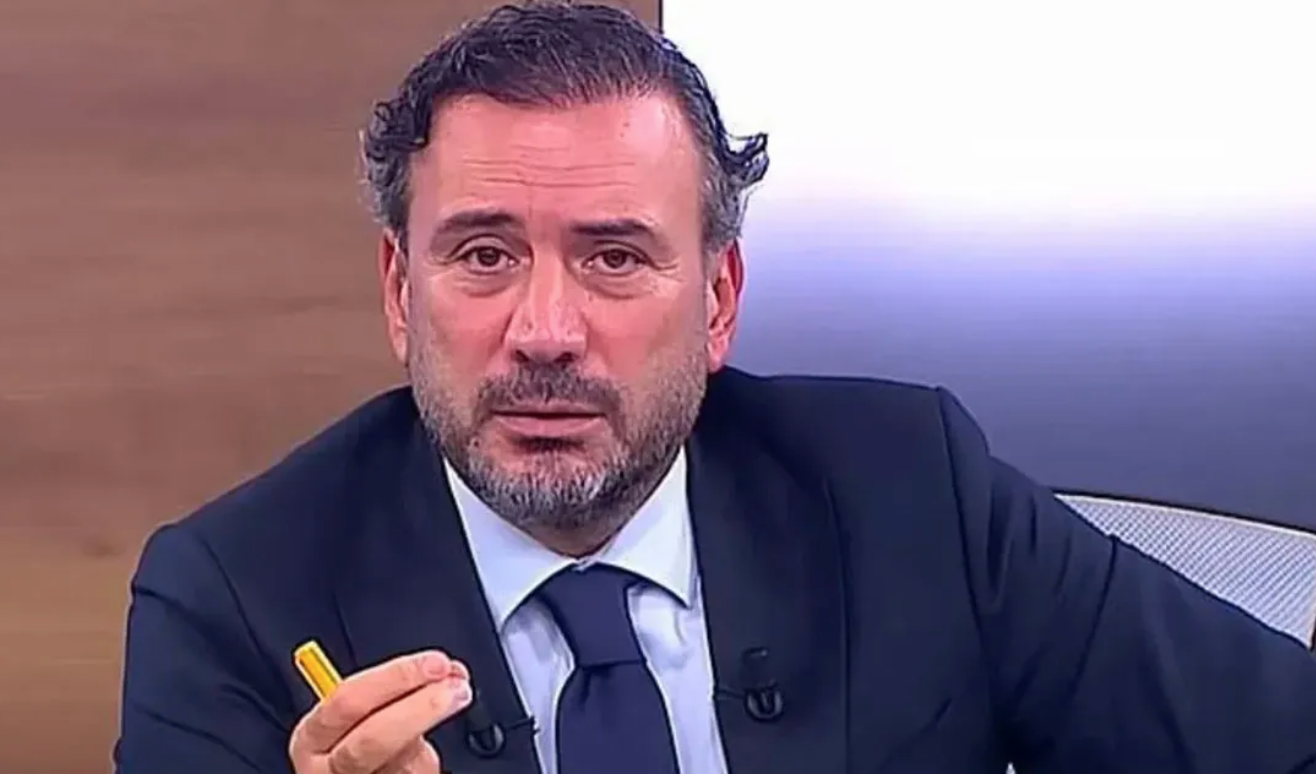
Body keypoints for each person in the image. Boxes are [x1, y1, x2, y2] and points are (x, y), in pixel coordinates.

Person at [113, 2, 1316, 773]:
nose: (544, 332)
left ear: (719, 297)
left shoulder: (911, 490)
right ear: (397, 289)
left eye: (613, 258)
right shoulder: (234, 601)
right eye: (482, 255)